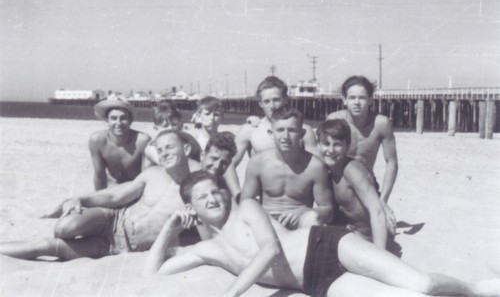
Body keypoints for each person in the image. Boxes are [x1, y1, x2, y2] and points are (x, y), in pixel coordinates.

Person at [145, 171, 500, 297]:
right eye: (202, 198)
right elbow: (155, 271)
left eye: (215, 191)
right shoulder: (210, 250)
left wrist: (230, 294)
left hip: (327, 244)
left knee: (423, 284)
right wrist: (169, 228)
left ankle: (477, 289)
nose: (213, 198)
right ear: (192, 206)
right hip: (316, 283)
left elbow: (268, 251)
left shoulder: (246, 209)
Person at [0, 131, 200, 260]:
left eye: (170, 147)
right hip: (111, 220)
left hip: (117, 247)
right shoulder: (153, 173)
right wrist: (83, 199)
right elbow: (115, 197)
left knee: (43, 246)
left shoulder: (198, 188)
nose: (164, 153)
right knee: (63, 228)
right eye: (160, 149)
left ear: (187, 149)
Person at [240, 105, 333, 229]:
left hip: (300, 224)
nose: (285, 136)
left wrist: (304, 211)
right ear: (271, 133)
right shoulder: (258, 163)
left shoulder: (315, 167)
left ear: (302, 133)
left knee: (312, 219)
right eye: (280, 130)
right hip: (267, 224)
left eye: (292, 130)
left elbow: (328, 209)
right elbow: (245, 203)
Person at [226, 76, 318, 194]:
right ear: (260, 104)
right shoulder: (250, 130)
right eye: (267, 101)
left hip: (296, 198)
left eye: (276, 100)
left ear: (286, 99)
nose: (272, 106)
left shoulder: (304, 131)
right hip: (261, 197)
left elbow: (319, 167)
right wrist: (237, 194)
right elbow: (229, 164)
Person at [316, 119, 395, 251]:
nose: (330, 150)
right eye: (325, 144)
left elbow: (377, 210)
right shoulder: (325, 171)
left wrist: (380, 254)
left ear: (347, 146)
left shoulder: (351, 170)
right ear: (318, 145)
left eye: (337, 145)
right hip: (349, 235)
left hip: (370, 238)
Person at [326, 75, 398, 206]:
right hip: (336, 184)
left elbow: (391, 162)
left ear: (370, 100)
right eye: (352, 98)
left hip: (366, 183)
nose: (357, 102)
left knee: (383, 225)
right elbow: (321, 156)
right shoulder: (334, 120)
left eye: (362, 98)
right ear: (344, 100)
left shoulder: (381, 123)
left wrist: (383, 200)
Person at [90, 96, 151, 190]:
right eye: (114, 118)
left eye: (123, 118)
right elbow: (99, 175)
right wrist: (99, 198)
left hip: (136, 188)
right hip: (113, 187)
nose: (118, 123)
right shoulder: (97, 140)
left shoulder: (142, 141)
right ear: (107, 120)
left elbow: (147, 177)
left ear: (130, 120)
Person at [143, 101, 202, 167]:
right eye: (165, 126)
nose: (170, 128)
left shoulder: (190, 140)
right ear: (156, 128)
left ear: (181, 123)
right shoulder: (152, 148)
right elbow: (167, 164)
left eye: (174, 124)